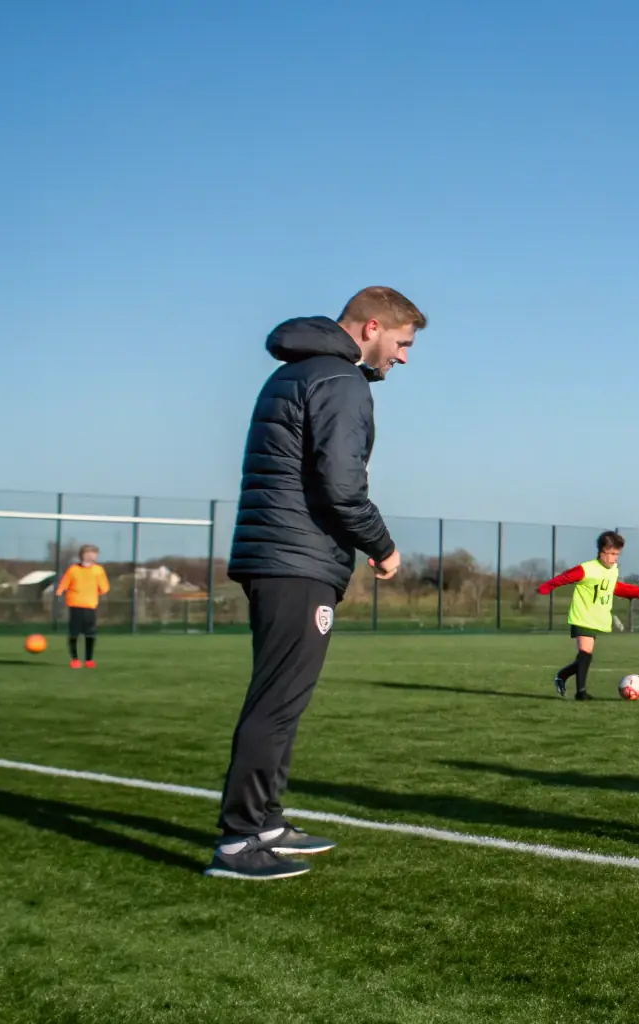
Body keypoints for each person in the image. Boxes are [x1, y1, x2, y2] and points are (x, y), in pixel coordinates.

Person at [208, 286, 425, 881]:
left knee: (283, 699)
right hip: (295, 560)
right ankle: (238, 841)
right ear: (372, 327)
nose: (403, 358)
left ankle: (268, 821)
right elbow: (340, 484)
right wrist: (381, 545)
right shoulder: (340, 379)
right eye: (402, 344)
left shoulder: (301, 371)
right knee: (277, 702)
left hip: (279, 554)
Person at [538, 531, 639, 699]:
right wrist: (546, 587)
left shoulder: (613, 570)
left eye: (617, 554)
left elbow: (611, 587)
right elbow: (565, 577)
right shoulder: (587, 569)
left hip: (597, 618)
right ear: (601, 552)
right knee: (585, 655)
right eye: (611, 554)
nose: (614, 558)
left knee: (585, 658)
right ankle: (581, 693)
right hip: (582, 616)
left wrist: (634, 591)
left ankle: (562, 675)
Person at [54, 544, 109, 669]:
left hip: (90, 606)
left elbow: (104, 587)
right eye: (88, 553)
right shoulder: (73, 569)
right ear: (82, 555)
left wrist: (99, 592)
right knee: (74, 633)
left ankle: (89, 660)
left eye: (94, 553)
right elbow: (64, 584)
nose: (91, 555)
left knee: (90, 633)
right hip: (75, 605)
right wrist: (59, 593)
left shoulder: (98, 570)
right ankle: (75, 659)